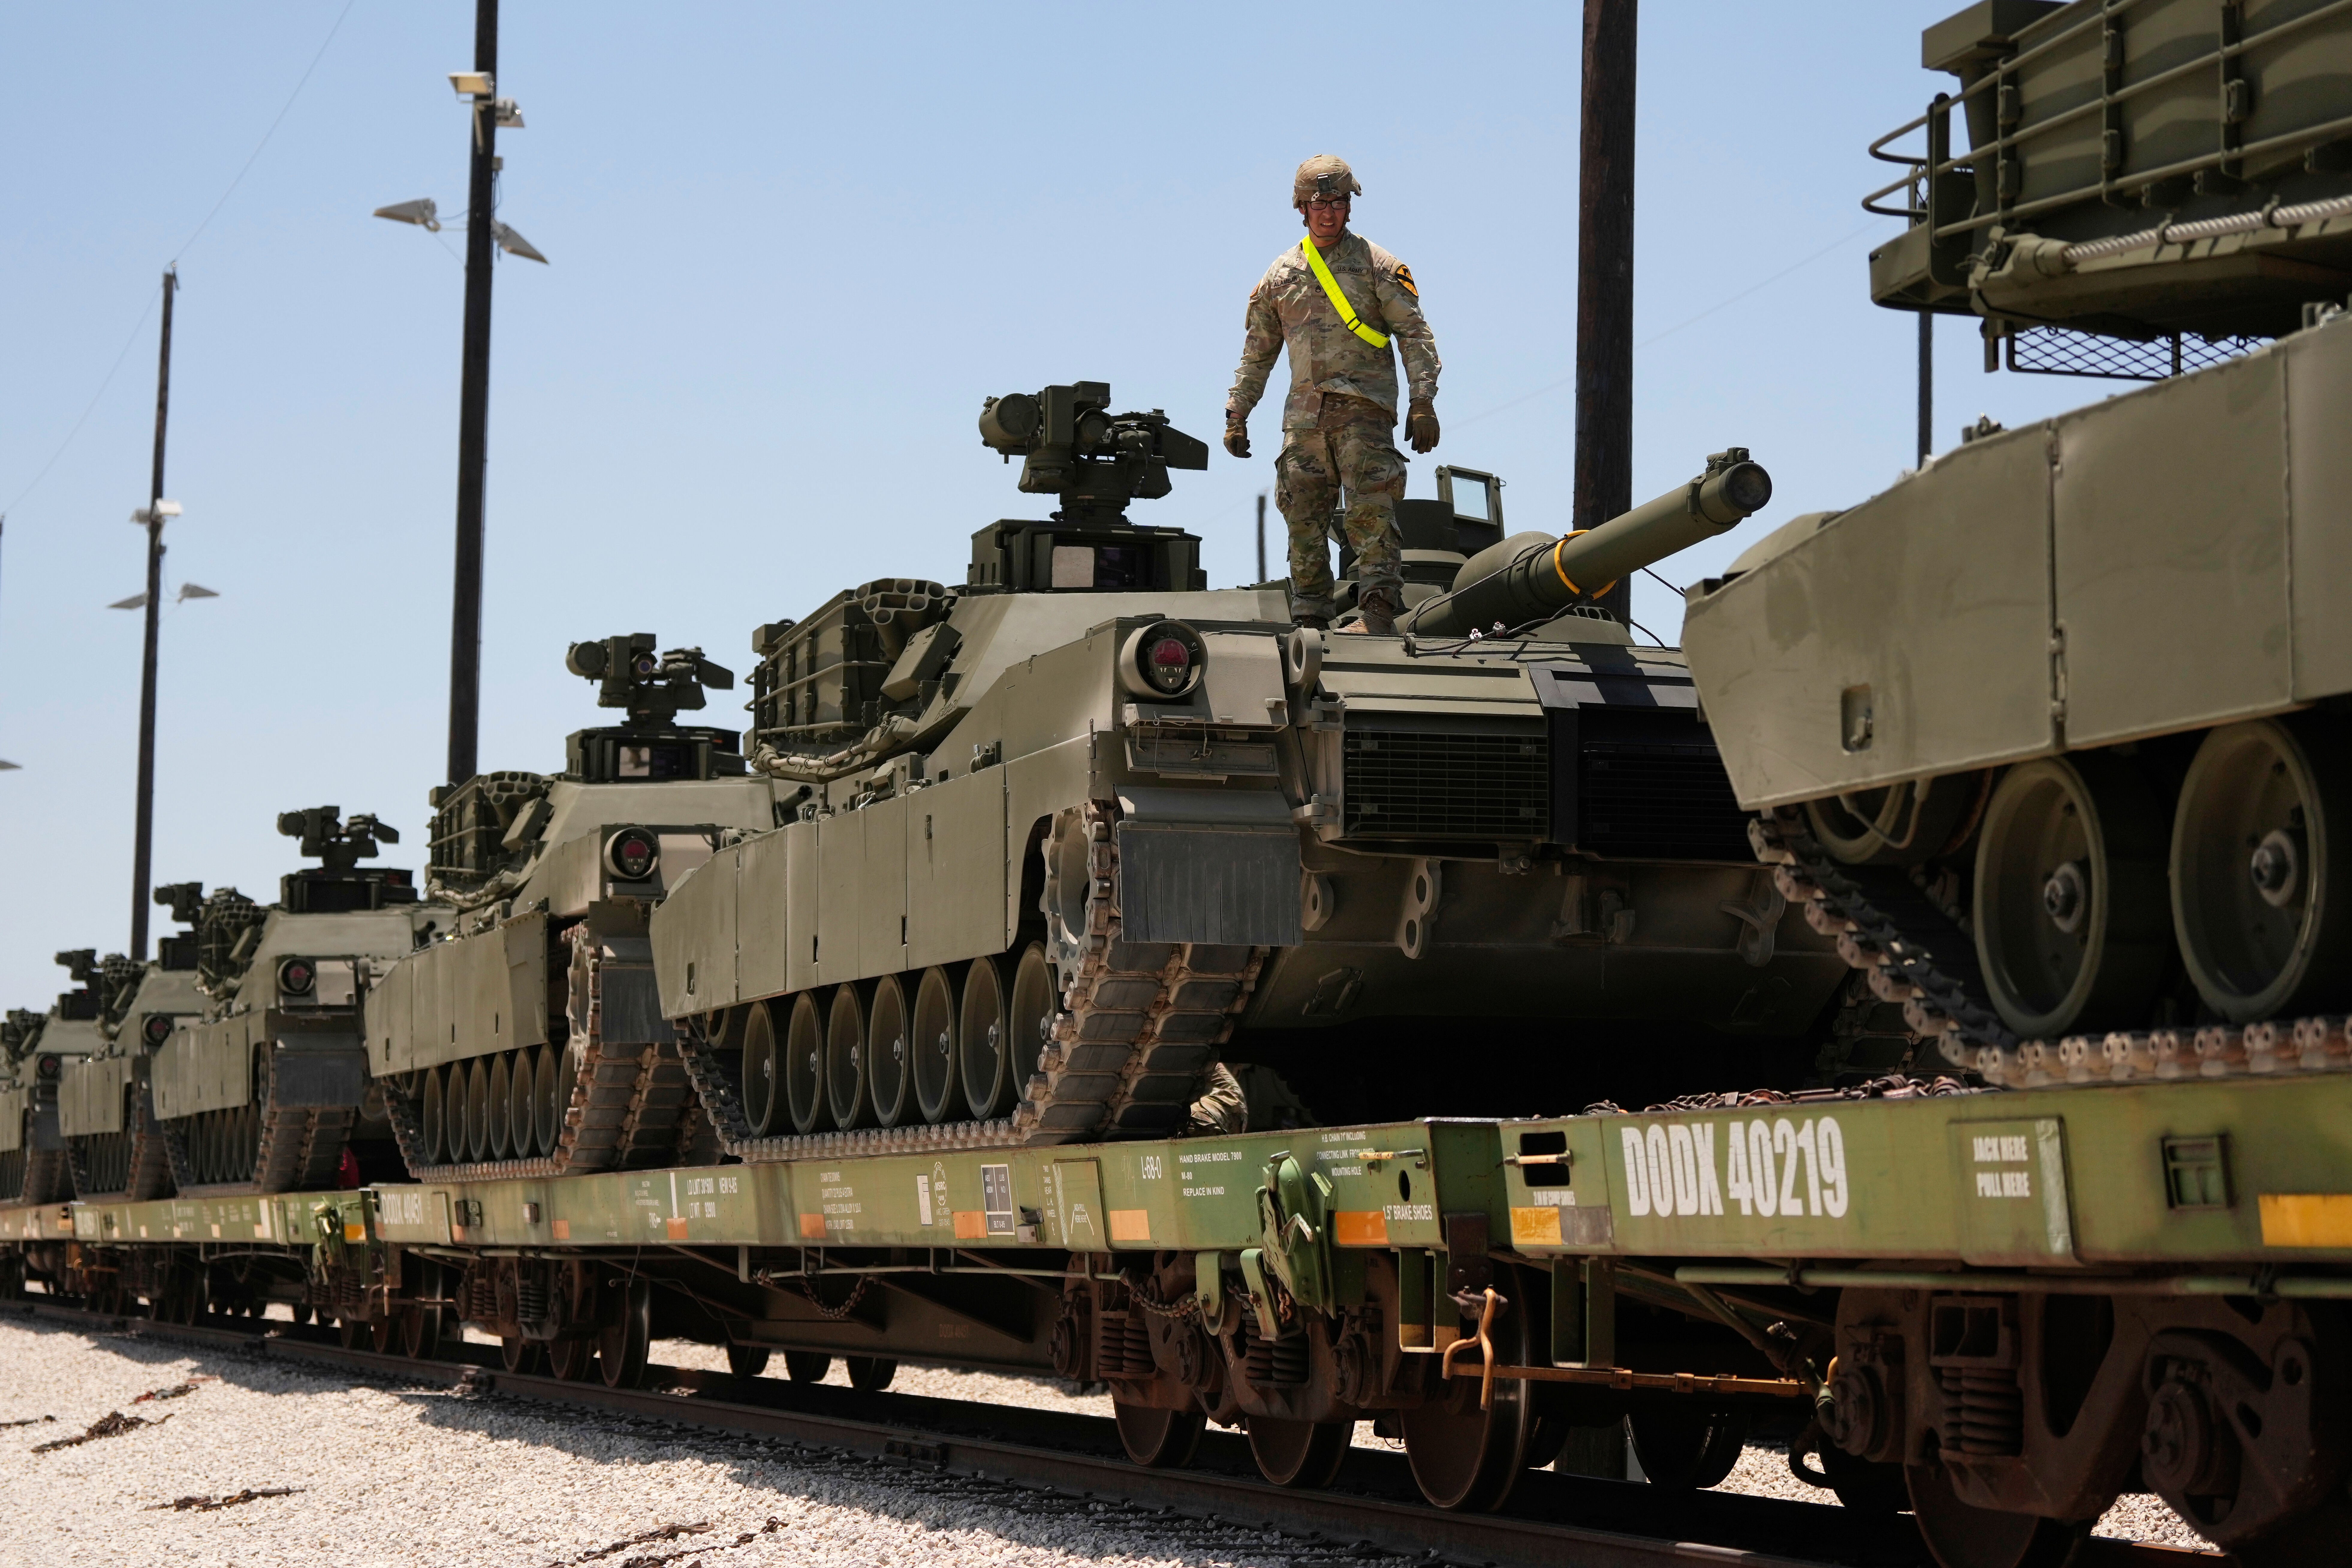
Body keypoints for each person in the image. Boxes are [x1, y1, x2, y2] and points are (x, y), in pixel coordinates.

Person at [1225, 155, 1441, 635]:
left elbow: (1414, 335)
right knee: (1303, 520)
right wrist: (1237, 412)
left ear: (1350, 206)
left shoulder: (1378, 266)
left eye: (1338, 203)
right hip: (1303, 422)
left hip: (1363, 413)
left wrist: (1422, 401)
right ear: (1301, 207)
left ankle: (1379, 612)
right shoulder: (1281, 276)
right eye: (1319, 203)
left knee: (1371, 513)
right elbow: (1258, 352)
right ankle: (1310, 617)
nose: (1329, 213)